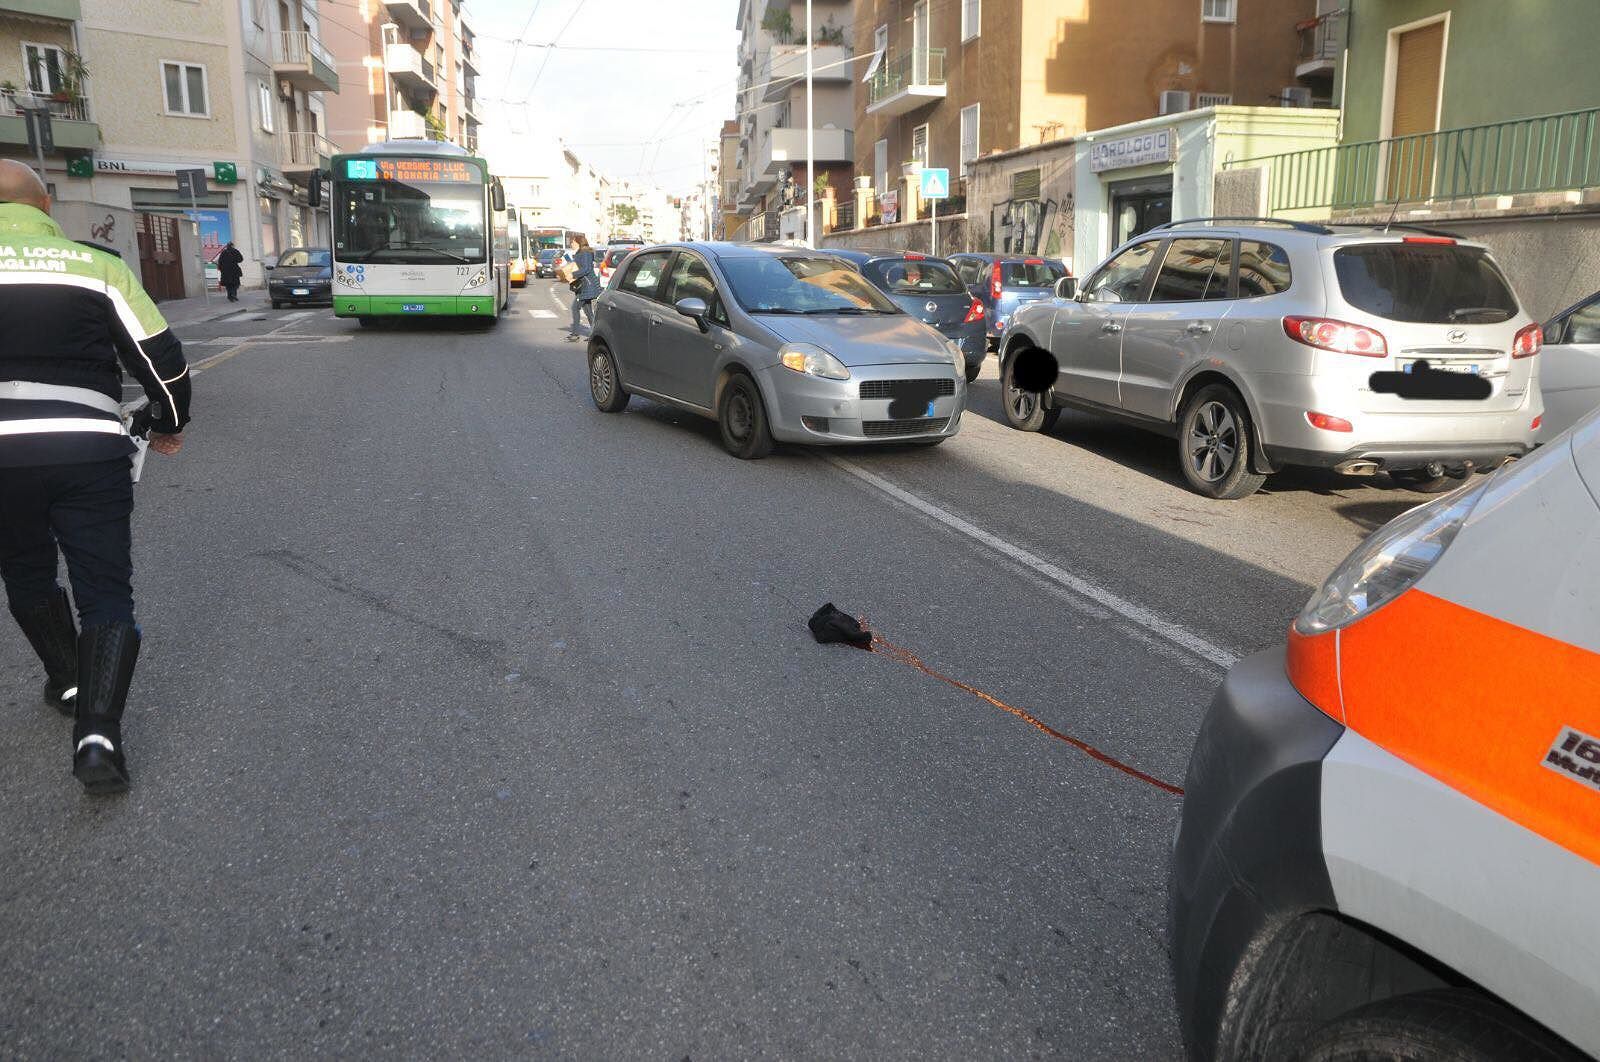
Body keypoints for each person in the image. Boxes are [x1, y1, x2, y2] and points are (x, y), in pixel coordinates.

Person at [0, 159, 191, 795]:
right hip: (86, 452)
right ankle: (98, 735)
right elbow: (160, 360)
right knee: (105, 590)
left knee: (25, 572)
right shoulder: (95, 267)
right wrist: (165, 421)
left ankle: (68, 677)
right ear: (45, 209)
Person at [565, 234, 601, 341]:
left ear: (577, 242)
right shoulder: (580, 253)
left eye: (572, 242)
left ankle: (575, 334)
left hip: (588, 286)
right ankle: (595, 334)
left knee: (575, 307)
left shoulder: (585, 253)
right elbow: (578, 265)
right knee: (588, 311)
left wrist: (573, 274)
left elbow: (586, 269)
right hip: (584, 286)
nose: (571, 244)